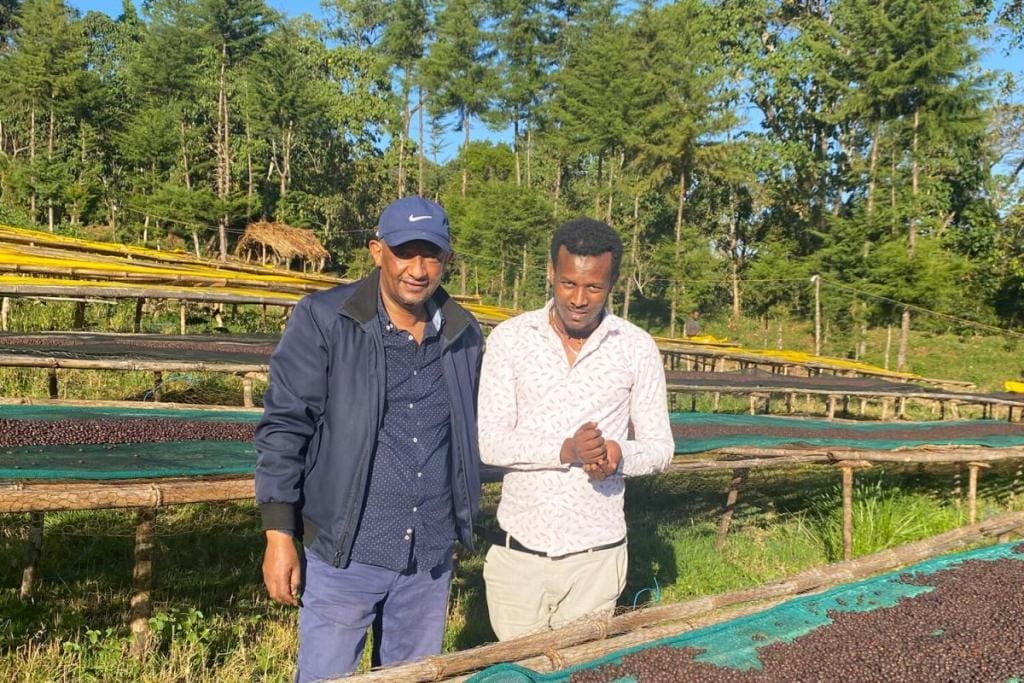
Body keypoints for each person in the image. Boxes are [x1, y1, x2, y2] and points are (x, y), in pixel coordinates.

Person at [254, 196, 484, 682]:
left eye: (431, 256)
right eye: (405, 253)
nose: (418, 270)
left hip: (428, 557)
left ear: (447, 260)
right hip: (346, 549)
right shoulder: (327, 319)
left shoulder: (464, 334)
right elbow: (285, 425)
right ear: (378, 251)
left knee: (410, 678)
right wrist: (279, 534)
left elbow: (476, 430)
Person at [477, 216, 674, 641]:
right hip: (518, 554)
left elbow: (660, 447)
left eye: (594, 287)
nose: (580, 299)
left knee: (579, 671)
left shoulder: (636, 347)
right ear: (550, 272)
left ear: (613, 283)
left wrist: (618, 455)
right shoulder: (511, 340)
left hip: (596, 557)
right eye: (568, 284)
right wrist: (566, 450)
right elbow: (489, 442)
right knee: (518, 670)